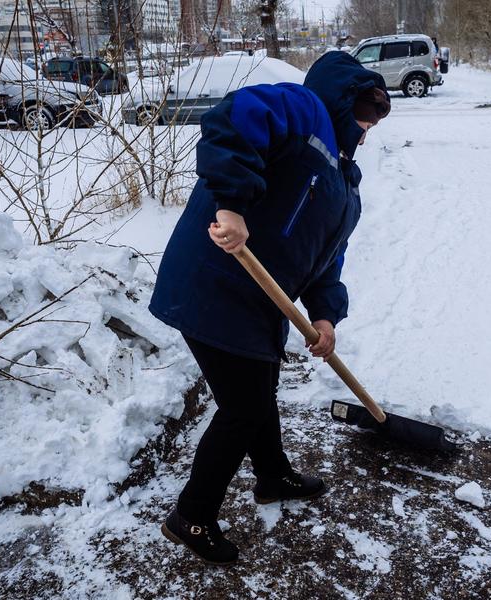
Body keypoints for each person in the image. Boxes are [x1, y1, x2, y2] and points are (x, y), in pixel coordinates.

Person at [148, 51, 390, 565]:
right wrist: (231, 203)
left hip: (258, 303)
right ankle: (191, 515)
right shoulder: (301, 109)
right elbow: (233, 121)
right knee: (244, 407)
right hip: (214, 281)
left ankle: (273, 475)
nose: (365, 133)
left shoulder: (345, 186)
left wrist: (324, 316)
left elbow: (328, 260)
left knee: (258, 391)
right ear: (346, 101)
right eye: (364, 120)